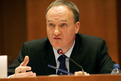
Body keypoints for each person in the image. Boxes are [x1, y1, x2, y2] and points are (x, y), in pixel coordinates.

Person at [8, 0, 115, 78]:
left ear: (76, 27)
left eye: (63, 25)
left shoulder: (94, 48)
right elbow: (6, 76)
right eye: (51, 25)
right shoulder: (31, 50)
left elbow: (114, 76)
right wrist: (13, 78)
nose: (56, 32)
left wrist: (90, 79)